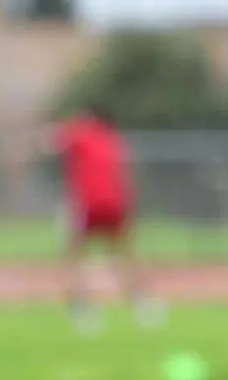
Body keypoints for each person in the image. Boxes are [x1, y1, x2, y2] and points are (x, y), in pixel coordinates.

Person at [52, 103, 163, 334]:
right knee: (123, 255)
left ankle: (84, 311)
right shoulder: (113, 139)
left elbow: (53, 140)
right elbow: (125, 173)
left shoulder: (80, 133)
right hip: (116, 203)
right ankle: (144, 306)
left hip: (88, 204)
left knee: (75, 258)